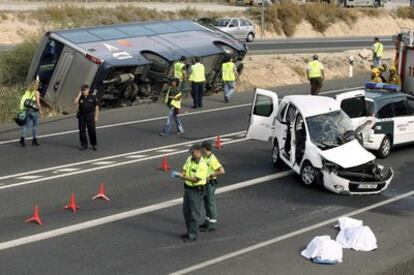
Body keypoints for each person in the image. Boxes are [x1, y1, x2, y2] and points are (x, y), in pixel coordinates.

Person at [176, 144, 208, 242]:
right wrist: (182, 173)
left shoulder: (202, 164)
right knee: (186, 211)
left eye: (193, 152)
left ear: (198, 151)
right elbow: (185, 168)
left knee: (194, 213)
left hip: (196, 191)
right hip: (188, 189)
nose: (191, 153)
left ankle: (192, 235)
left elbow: (195, 179)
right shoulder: (190, 159)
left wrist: (182, 177)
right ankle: (189, 231)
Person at [199, 141, 225, 232]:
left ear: (205, 149)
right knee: (206, 202)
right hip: (204, 183)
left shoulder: (212, 159)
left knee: (210, 203)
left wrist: (210, 176)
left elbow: (222, 171)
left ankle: (212, 224)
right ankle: (207, 221)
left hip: (210, 183)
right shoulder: (205, 157)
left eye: (201, 148)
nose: (201, 150)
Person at [74, 84, 99, 151]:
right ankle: (84, 145)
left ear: (88, 90)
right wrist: (79, 95)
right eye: (82, 90)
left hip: (90, 115)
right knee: (82, 130)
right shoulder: (80, 97)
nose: (83, 91)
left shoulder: (92, 97)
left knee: (92, 130)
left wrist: (96, 116)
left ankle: (94, 144)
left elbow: (96, 107)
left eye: (84, 90)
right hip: (82, 115)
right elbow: (75, 102)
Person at [19, 80, 43, 147]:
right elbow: (38, 102)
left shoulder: (28, 91)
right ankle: (34, 140)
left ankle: (22, 139)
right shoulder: (36, 92)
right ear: (36, 86)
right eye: (38, 84)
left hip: (27, 110)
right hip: (34, 111)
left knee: (26, 125)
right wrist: (40, 110)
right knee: (35, 125)